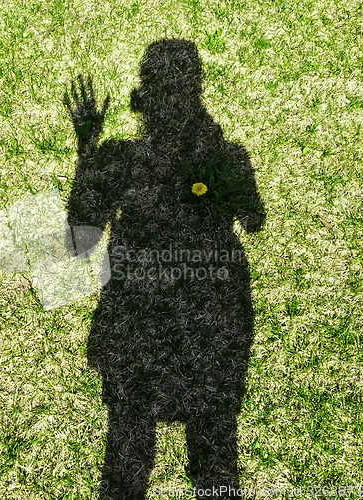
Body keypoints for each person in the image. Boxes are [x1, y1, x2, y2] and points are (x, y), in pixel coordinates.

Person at [65, 38, 265, 500]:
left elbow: (80, 241)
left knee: (127, 458)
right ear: (196, 94)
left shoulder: (118, 161)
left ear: (145, 97)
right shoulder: (227, 159)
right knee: (214, 459)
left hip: (138, 339)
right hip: (209, 337)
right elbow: (254, 220)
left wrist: (88, 150)